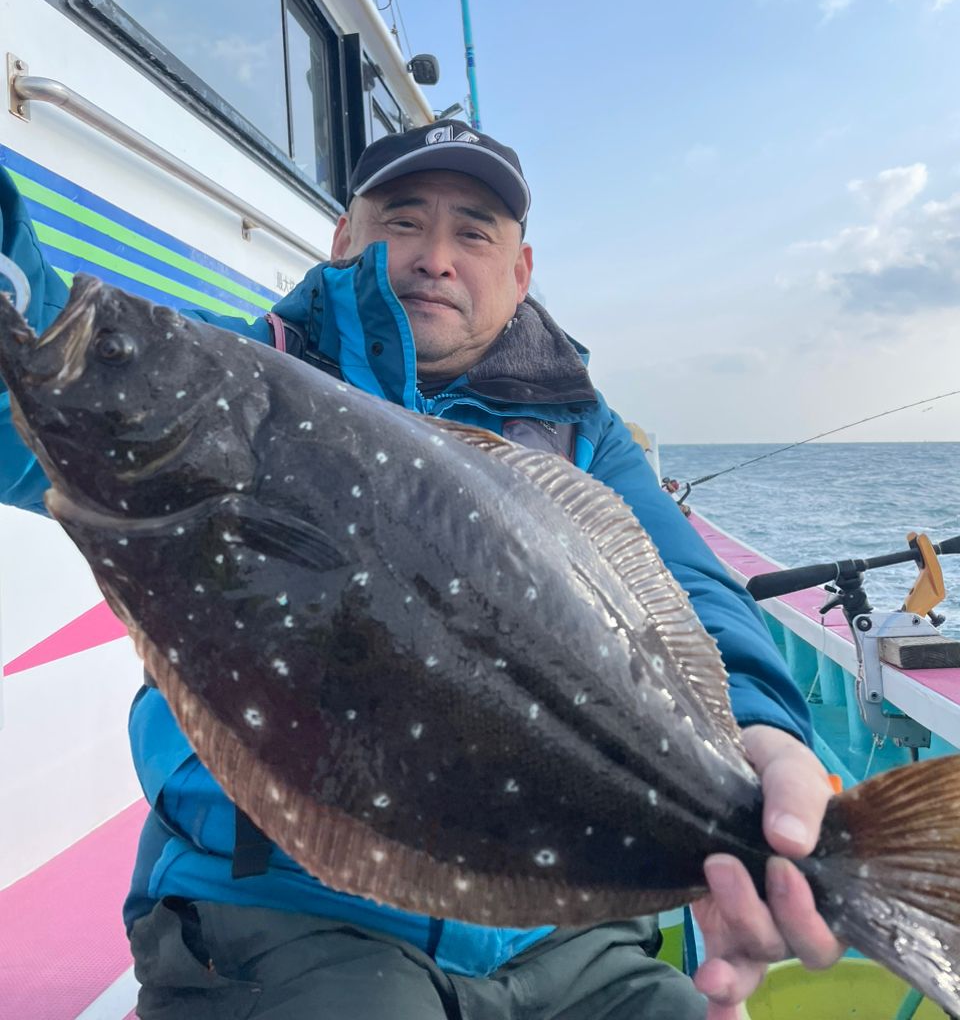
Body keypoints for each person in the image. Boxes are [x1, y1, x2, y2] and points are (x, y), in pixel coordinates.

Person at [0, 121, 841, 1019]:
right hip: (285, 913)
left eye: (473, 231)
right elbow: (43, 393)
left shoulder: (583, 431)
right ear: (343, 240)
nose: (436, 257)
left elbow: (691, 591)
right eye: (402, 220)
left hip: (569, 934)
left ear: (520, 272)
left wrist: (767, 739)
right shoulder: (250, 379)